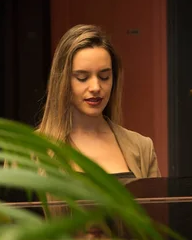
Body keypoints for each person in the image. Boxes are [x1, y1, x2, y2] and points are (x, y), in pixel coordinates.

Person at [37, 24, 161, 180]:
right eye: (82, 78)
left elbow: (156, 204)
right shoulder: (30, 151)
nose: (95, 87)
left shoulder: (142, 148)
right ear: (62, 81)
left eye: (104, 77)